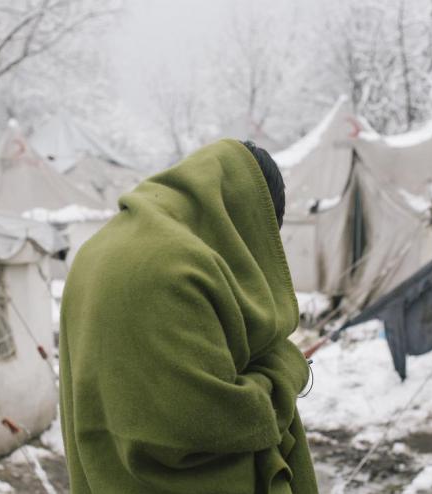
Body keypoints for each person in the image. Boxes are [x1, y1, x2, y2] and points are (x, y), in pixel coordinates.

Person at [58, 139, 318, 493]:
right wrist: (285, 368)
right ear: (243, 214)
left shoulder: (98, 249)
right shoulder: (177, 265)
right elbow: (211, 419)